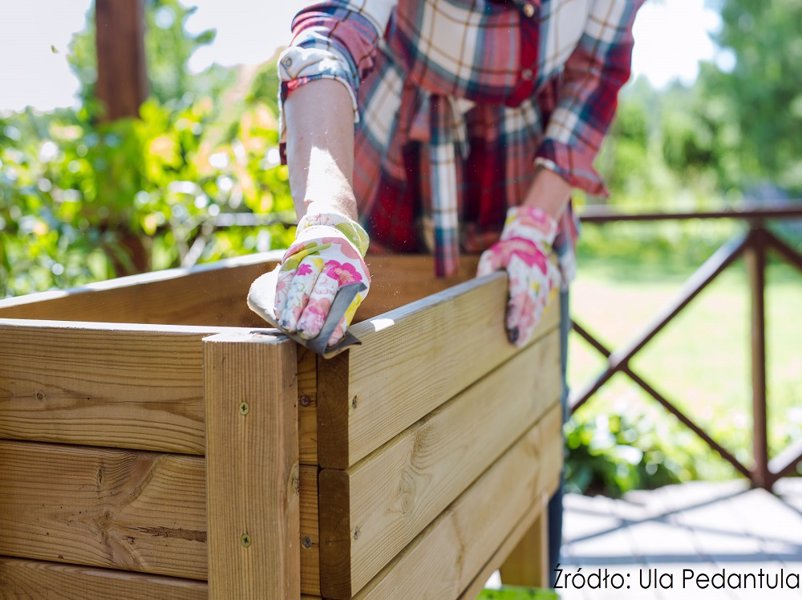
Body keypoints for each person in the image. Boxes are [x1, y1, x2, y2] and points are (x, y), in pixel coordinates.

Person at [260, 0, 642, 583]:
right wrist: (327, 215)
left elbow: (594, 77)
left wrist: (535, 226)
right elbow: (329, 39)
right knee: (383, 432)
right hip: (398, 151)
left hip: (524, 170)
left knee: (532, 409)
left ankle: (532, 591)